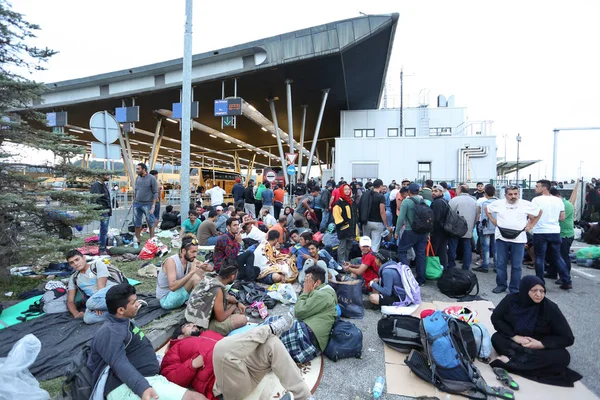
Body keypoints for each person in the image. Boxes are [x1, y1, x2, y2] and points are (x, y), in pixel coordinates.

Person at [88, 283, 206, 400]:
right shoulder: (110, 331)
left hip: (147, 379)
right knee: (195, 398)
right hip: (125, 387)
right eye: (133, 303)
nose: (138, 304)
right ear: (120, 310)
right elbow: (119, 363)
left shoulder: (125, 322)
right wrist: (142, 388)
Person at [162, 321, 312, 400]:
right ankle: (268, 328)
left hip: (245, 368)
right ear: (180, 337)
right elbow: (170, 377)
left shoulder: (207, 333)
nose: (194, 325)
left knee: (271, 343)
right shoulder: (175, 348)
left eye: (193, 324)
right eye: (188, 326)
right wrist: (193, 363)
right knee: (220, 349)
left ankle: (304, 397)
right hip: (227, 385)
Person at [489, 276, 582, 387]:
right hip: (517, 343)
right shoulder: (511, 300)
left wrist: (540, 344)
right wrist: (514, 336)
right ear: (525, 290)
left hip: (539, 347)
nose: (539, 295)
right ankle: (527, 363)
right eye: (534, 290)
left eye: (542, 291)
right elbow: (496, 318)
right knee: (497, 338)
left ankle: (509, 364)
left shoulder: (550, 308)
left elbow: (567, 338)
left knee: (563, 357)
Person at [265, 266, 337, 364]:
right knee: (272, 322)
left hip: (307, 337)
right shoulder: (324, 291)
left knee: (269, 337)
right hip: (309, 334)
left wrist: (305, 291)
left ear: (317, 283)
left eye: (307, 281)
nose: (304, 284)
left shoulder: (322, 295)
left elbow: (298, 312)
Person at [485, 186, 541, 294]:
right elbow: (487, 209)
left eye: (515, 194)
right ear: (505, 195)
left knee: (516, 265)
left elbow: (539, 212)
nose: (513, 196)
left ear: (518, 194)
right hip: (501, 238)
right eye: (510, 194)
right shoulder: (499, 203)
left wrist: (531, 225)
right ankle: (501, 285)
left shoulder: (525, 204)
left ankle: (514, 288)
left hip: (519, 239)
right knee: (501, 263)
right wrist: (493, 221)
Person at [532, 180, 573, 290]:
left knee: (540, 257)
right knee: (557, 257)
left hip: (540, 231)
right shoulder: (558, 201)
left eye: (537, 186)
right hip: (554, 231)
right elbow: (562, 217)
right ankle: (567, 280)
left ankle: (540, 282)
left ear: (544, 188)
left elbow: (532, 216)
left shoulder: (536, 200)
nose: (535, 188)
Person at [185, 264, 247, 336]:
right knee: (242, 319)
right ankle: (205, 333)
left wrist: (237, 302)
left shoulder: (211, 277)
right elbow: (220, 318)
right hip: (199, 326)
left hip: (191, 317)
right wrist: (233, 307)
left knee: (230, 305)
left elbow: (229, 297)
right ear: (232, 277)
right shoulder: (218, 289)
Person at [156, 235, 210, 309]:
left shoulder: (189, 258)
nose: (195, 255)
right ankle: (199, 305)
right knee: (194, 277)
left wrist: (205, 267)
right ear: (184, 251)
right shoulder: (171, 262)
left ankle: (202, 299)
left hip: (177, 292)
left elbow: (206, 267)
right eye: (193, 252)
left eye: (196, 252)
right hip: (166, 299)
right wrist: (191, 272)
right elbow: (172, 287)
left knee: (201, 272)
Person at [65, 250, 117, 324]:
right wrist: (76, 313)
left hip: (111, 293)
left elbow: (101, 287)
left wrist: (98, 305)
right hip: (96, 302)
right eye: (71, 263)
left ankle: (122, 305)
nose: (75, 264)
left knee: (89, 304)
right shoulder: (73, 278)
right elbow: (70, 301)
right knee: (88, 318)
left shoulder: (97, 265)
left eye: (77, 259)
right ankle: (123, 310)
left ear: (84, 258)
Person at [395, 183, 428, 285]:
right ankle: (421, 279)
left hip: (410, 231)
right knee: (421, 255)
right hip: (423, 232)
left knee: (401, 251)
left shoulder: (407, 202)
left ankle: (407, 276)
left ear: (409, 192)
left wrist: (397, 231)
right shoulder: (424, 201)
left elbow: (400, 218)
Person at [447, 184, 478, 270]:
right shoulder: (474, 201)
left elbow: (449, 214)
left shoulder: (453, 200)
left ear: (460, 190)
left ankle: (451, 264)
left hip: (455, 227)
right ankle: (466, 266)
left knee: (453, 246)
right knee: (467, 246)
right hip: (468, 227)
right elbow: (477, 215)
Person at [548, 188, 574, 283]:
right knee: (553, 254)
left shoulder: (565, 205)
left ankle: (565, 276)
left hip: (565, 234)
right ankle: (552, 272)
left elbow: (558, 218)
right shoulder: (561, 203)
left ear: (557, 196)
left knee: (563, 256)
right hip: (558, 233)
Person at [473, 184, 498, 273]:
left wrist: (480, 227)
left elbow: (483, 218)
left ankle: (485, 265)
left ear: (485, 193)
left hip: (486, 228)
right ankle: (496, 266)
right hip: (496, 228)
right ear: (494, 192)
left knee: (486, 247)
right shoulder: (499, 202)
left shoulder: (484, 203)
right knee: (496, 248)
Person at [362, 179, 392, 252]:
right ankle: (372, 260)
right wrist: (387, 225)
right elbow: (382, 211)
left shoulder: (366, 195)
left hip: (366, 222)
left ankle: (364, 259)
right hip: (377, 223)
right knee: (375, 244)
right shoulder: (381, 197)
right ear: (381, 186)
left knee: (366, 243)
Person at [133, 163, 158, 244]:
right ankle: (137, 240)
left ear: (144, 169)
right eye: (136, 169)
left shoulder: (151, 178)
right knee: (137, 223)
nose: (137, 171)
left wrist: (153, 206)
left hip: (148, 204)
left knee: (150, 223)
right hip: (137, 204)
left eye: (138, 169)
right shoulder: (137, 178)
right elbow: (136, 190)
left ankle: (151, 240)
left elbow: (155, 192)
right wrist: (134, 200)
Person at [333, 183, 356, 263]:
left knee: (349, 247)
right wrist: (344, 224)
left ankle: (346, 262)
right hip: (343, 228)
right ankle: (341, 263)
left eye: (348, 189)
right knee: (342, 247)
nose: (347, 191)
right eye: (345, 189)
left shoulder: (351, 201)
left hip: (351, 228)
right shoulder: (338, 203)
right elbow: (337, 217)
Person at [90, 174, 112, 255]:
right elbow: (95, 198)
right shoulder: (97, 185)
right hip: (102, 210)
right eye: (107, 175)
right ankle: (102, 249)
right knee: (103, 231)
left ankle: (102, 247)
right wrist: (102, 209)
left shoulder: (103, 185)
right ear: (101, 175)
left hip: (105, 210)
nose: (109, 176)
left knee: (103, 230)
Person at [430, 184, 450, 268]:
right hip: (443, 230)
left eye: (436, 191)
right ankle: (443, 268)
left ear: (441, 192)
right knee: (442, 251)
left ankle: (435, 269)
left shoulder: (437, 202)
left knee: (435, 251)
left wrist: (431, 230)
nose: (433, 193)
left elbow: (436, 218)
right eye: (432, 191)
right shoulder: (443, 201)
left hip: (438, 231)